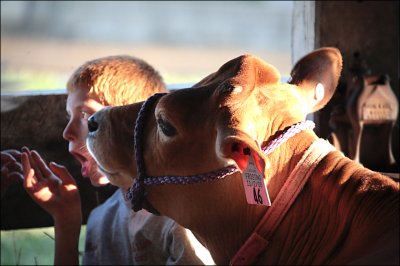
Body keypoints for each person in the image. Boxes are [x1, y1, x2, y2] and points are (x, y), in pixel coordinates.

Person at [2, 55, 213, 265]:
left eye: (86, 115)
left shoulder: (180, 222)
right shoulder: (99, 221)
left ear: (134, 121)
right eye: (69, 116)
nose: (67, 132)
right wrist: (66, 218)